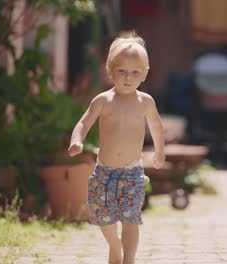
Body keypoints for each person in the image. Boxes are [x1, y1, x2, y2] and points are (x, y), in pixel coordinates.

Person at [68, 32, 165, 264]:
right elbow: (84, 122)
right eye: (121, 71)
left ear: (145, 73)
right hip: (105, 172)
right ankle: (114, 245)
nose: (128, 78)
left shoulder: (145, 102)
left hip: (132, 171)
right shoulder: (103, 100)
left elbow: (157, 128)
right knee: (103, 218)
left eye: (135, 72)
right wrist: (76, 140)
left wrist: (160, 152)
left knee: (131, 219)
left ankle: (128, 259)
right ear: (110, 70)